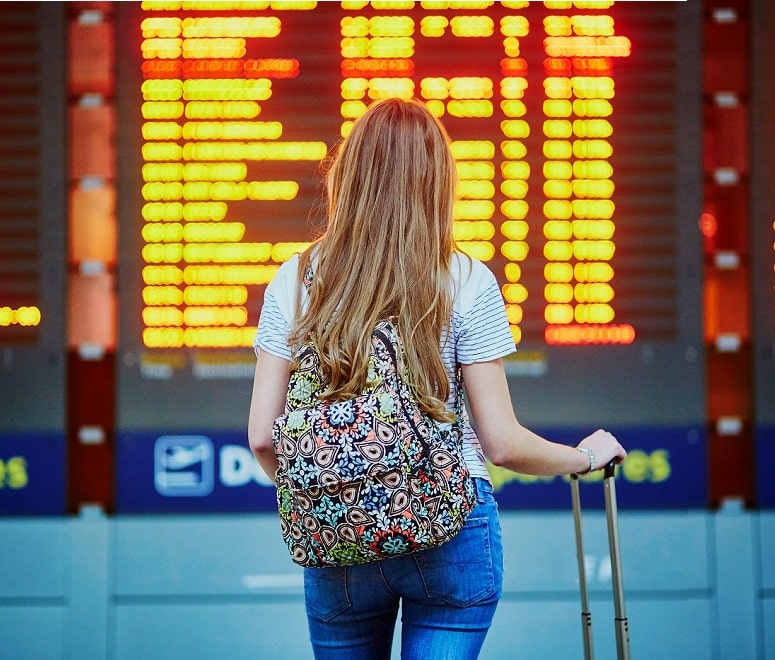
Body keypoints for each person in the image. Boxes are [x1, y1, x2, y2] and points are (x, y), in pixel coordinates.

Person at [248, 97, 627, 660]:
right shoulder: (467, 280)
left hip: (337, 539)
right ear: (437, 182)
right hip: (450, 527)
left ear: (348, 175)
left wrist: (337, 494)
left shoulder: (295, 278)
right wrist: (583, 457)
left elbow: (261, 437)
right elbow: (500, 442)